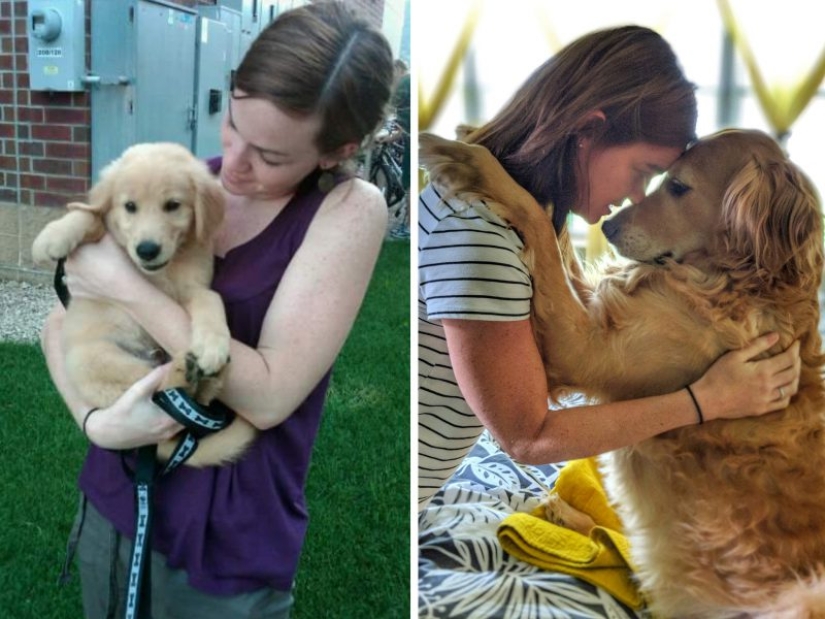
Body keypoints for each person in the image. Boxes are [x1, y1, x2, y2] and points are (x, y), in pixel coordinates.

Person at [40, 3, 395, 617]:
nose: (233, 164)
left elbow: (270, 396)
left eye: (271, 157)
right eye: (232, 123)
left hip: (229, 529)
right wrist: (95, 423)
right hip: (117, 487)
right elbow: (58, 326)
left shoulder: (348, 211)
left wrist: (127, 287)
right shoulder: (181, 187)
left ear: (335, 151)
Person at [418, 25, 802, 509]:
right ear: (588, 130)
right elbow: (529, 438)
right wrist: (707, 401)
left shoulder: (512, 201)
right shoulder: (483, 236)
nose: (637, 197)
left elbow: (576, 319)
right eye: (643, 173)